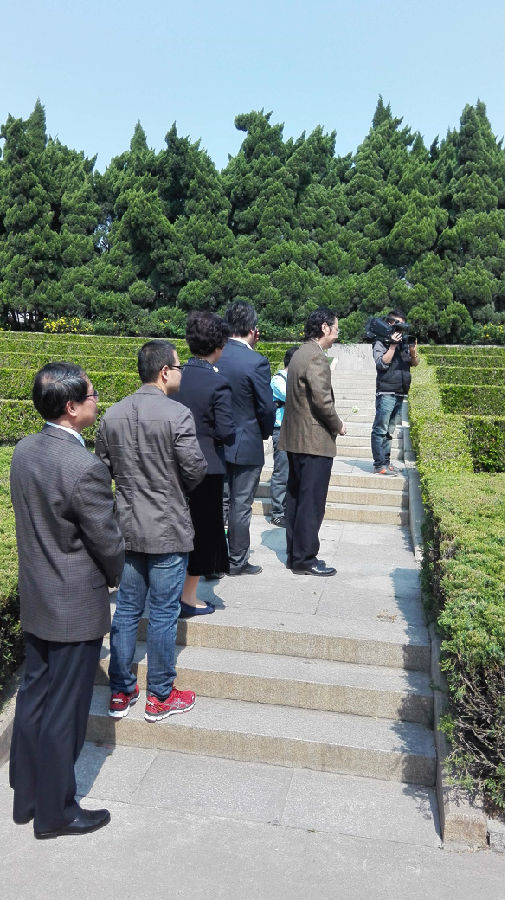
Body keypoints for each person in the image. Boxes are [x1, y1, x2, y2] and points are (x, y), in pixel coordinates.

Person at [9, 363, 125, 839]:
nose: (98, 401)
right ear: (72, 407)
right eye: (93, 396)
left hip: (38, 595)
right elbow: (108, 542)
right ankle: (56, 811)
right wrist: (115, 577)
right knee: (66, 709)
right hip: (74, 603)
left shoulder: (24, 450)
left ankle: (26, 797)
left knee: (35, 694)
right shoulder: (83, 467)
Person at [95, 340, 207, 722]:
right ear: (164, 372)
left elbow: (101, 471)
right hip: (167, 527)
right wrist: (174, 488)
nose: (180, 372)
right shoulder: (178, 414)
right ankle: (160, 695)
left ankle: (121, 692)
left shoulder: (112, 414)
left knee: (127, 609)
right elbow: (195, 469)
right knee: (162, 613)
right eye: (178, 367)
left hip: (126, 527)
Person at [174, 311, 235, 616]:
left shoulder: (175, 376)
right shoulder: (217, 383)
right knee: (202, 532)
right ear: (219, 345)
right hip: (206, 467)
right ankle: (188, 597)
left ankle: (170, 591)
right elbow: (226, 431)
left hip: (172, 463)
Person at [279, 308, 346, 577]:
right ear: (324, 328)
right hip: (314, 441)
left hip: (296, 439)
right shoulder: (316, 357)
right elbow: (322, 401)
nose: (337, 334)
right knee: (311, 503)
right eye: (336, 328)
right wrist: (338, 424)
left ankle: (295, 555)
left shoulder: (299, 353)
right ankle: (306, 558)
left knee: (296, 499)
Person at [217, 301, 276, 576]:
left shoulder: (214, 355)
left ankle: (213, 559)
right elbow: (266, 407)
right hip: (247, 441)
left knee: (219, 502)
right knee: (240, 504)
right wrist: (263, 433)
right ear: (253, 329)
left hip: (216, 442)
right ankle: (237, 560)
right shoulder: (256, 361)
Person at [371, 309, 419, 476]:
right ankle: (379, 465)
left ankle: (386, 462)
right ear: (389, 323)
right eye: (397, 324)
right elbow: (381, 363)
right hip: (386, 392)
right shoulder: (380, 342)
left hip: (400, 391)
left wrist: (413, 352)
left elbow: (415, 363)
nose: (400, 328)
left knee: (389, 431)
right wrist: (392, 346)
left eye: (402, 325)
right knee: (380, 429)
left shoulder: (404, 342)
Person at [269, 346, 299, 527]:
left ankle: (289, 509)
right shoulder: (278, 380)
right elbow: (294, 397)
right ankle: (278, 512)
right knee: (282, 472)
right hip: (281, 431)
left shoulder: (296, 380)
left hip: (296, 430)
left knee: (293, 472)